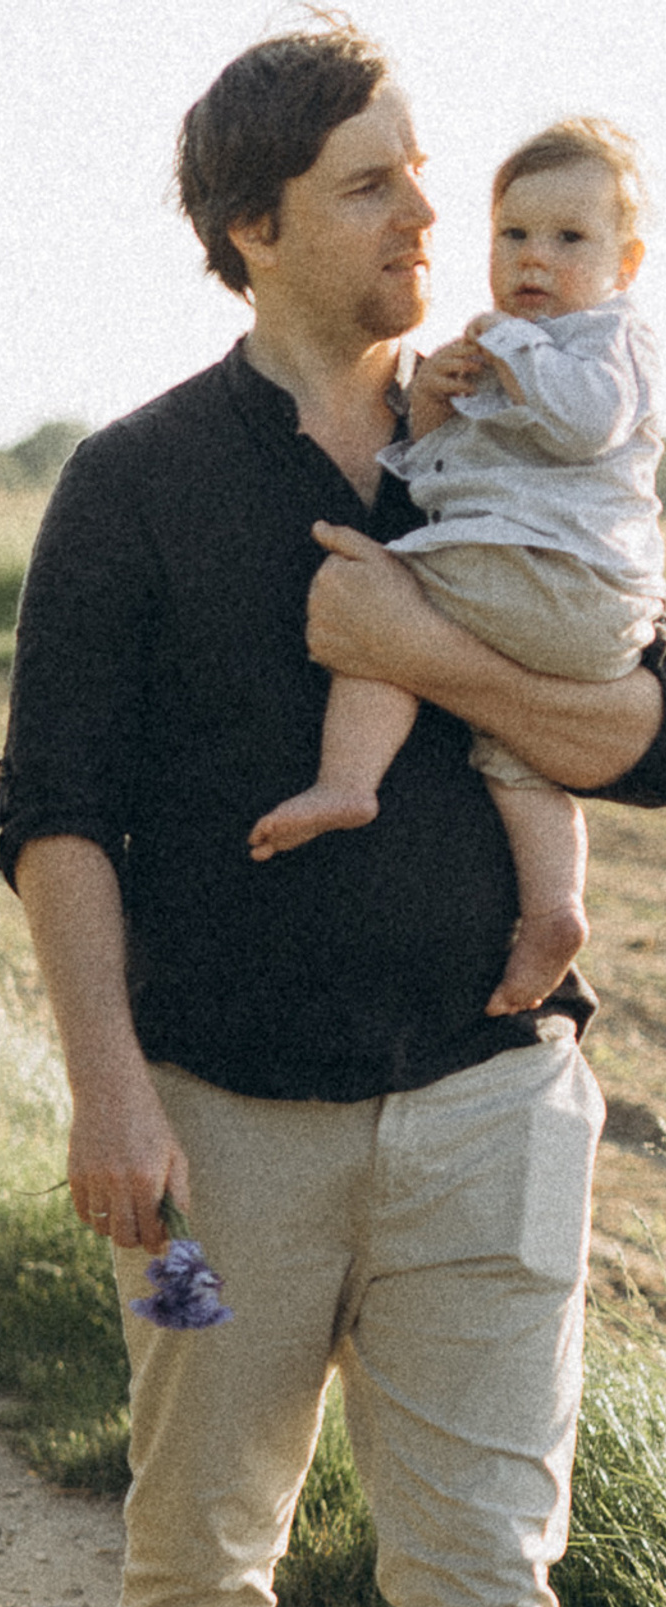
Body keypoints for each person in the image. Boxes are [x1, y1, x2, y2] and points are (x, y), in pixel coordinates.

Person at [0, 24, 666, 1607]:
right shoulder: (132, 484)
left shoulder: (522, 429)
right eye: (375, 183)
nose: (423, 215)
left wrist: (410, 641)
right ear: (252, 226)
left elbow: (642, 730)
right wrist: (104, 1085)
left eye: (423, 173)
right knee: (202, 1538)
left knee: (483, 1577)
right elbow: (57, 815)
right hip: (206, 1143)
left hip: (491, 1115)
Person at [252, 118, 663, 1025]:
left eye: (569, 240)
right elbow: (448, 483)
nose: (534, 260)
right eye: (513, 235)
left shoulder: (609, 341)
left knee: (378, 608)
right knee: (514, 759)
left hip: (565, 580)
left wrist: (514, 353)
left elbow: (589, 424)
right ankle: (555, 909)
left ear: (626, 265)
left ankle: (349, 779)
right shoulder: (509, 351)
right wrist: (432, 417)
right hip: (544, 596)